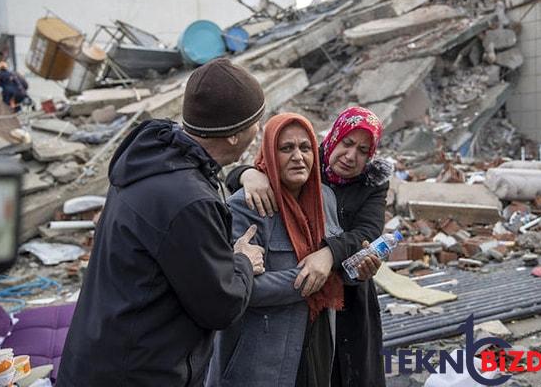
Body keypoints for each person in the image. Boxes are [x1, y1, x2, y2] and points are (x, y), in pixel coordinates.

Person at [57, 59, 267, 387]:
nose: (258, 131)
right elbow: (220, 305)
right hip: (139, 374)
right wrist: (242, 260)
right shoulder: (189, 201)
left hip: (98, 358)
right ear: (233, 135)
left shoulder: (151, 160)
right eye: (256, 122)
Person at [226, 106, 392, 386]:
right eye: (347, 143)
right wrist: (247, 174)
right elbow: (239, 284)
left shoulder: (364, 184)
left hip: (342, 300)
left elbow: (368, 231)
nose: (351, 156)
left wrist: (333, 260)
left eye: (363, 151)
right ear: (332, 138)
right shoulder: (301, 166)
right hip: (280, 326)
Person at [207, 113, 346, 387]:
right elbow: (240, 285)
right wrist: (311, 278)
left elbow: (338, 263)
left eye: (305, 148)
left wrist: (355, 267)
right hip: (263, 351)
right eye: (286, 148)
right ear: (270, 152)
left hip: (316, 338)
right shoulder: (247, 205)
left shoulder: (325, 199)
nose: (298, 156)